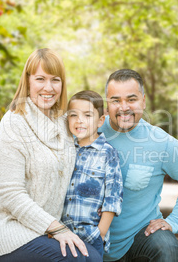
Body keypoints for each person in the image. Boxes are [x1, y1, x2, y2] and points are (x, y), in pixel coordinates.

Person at [0, 49, 101, 262]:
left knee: (93, 256)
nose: (48, 87)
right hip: (1, 227)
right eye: (40, 79)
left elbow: (97, 123)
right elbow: (11, 195)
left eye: (55, 80)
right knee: (80, 259)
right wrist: (58, 229)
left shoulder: (64, 121)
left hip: (41, 228)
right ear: (28, 81)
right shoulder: (13, 124)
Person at [99, 69, 178, 261]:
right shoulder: (89, 131)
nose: (124, 107)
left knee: (166, 247)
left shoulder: (161, 142)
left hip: (139, 237)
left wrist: (174, 221)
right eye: (116, 100)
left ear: (143, 101)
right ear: (107, 105)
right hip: (91, 239)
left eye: (131, 99)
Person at [62, 90, 123, 257]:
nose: (79, 120)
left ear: (100, 120)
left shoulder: (107, 153)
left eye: (87, 115)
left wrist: (100, 234)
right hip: (61, 234)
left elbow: (113, 198)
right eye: (73, 115)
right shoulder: (65, 150)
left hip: (90, 235)